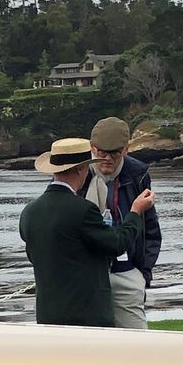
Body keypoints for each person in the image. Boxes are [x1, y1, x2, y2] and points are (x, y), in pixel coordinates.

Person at [20, 136, 152, 327]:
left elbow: (35, 256)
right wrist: (135, 212)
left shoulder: (29, 212)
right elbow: (116, 244)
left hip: (48, 312)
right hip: (87, 312)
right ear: (82, 169)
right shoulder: (83, 210)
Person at [80, 116, 161, 329]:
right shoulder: (76, 171)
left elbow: (151, 227)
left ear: (126, 149)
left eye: (114, 152)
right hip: (87, 274)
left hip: (127, 271)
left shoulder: (138, 173)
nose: (106, 158)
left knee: (137, 347)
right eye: (100, 152)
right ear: (91, 147)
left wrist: (143, 274)